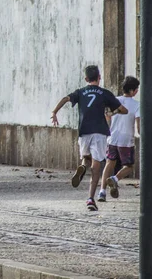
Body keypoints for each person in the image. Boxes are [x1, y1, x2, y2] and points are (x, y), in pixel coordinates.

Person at [51, 65, 128, 211]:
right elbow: (124, 110)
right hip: (99, 132)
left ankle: (82, 166)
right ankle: (91, 199)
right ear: (99, 78)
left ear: (86, 79)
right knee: (96, 166)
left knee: (85, 157)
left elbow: (65, 98)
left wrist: (54, 112)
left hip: (84, 131)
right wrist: (113, 112)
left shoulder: (80, 92)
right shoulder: (104, 93)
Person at [97, 76, 140, 202]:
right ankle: (115, 179)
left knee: (110, 163)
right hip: (126, 140)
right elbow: (139, 127)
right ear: (132, 91)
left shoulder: (114, 100)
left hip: (112, 137)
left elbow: (107, 116)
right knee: (129, 166)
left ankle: (101, 192)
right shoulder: (137, 105)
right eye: (136, 89)